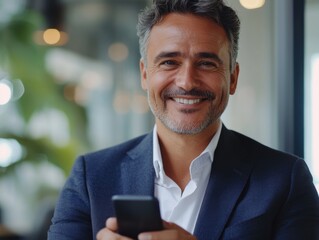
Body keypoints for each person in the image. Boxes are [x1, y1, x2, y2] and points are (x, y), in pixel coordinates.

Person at [48, 0, 319, 239]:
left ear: (233, 78)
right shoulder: (91, 177)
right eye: (169, 62)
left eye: (206, 63)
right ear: (144, 74)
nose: (187, 82)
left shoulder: (285, 181)